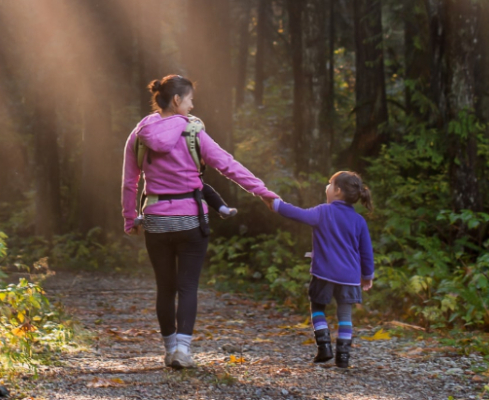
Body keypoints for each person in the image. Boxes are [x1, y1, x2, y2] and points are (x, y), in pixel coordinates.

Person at [122, 74, 279, 369]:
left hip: (156, 220)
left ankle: (169, 350)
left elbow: (130, 182)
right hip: (191, 220)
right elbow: (228, 165)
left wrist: (130, 218)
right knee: (188, 287)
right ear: (177, 99)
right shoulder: (193, 131)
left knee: (165, 288)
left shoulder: (139, 133)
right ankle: (183, 350)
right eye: (190, 99)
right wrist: (262, 192)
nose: (192, 106)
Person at [271, 171, 375, 369]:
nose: (326, 188)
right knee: (345, 316)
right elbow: (366, 252)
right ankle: (343, 357)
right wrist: (367, 276)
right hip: (349, 277)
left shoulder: (323, 212)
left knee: (317, 307)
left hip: (324, 273)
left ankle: (324, 346)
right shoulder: (359, 221)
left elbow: (298, 214)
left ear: (337, 191)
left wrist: (276, 204)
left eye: (330, 184)